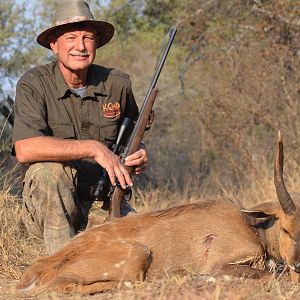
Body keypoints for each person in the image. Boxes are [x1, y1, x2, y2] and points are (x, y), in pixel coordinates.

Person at [12, 0, 148, 255]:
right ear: (54, 44)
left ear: (96, 42)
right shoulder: (33, 84)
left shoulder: (118, 83)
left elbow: (133, 137)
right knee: (48, 171)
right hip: (49, 210)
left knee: (146, 247)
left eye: (87, 37)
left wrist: (139, 152)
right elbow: (24, 149)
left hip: (103, 204)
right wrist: (93, 148)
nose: (80, 46)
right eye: (71, 37)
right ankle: (61, 263)